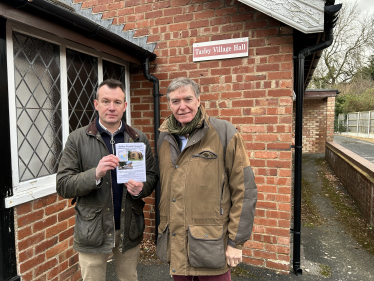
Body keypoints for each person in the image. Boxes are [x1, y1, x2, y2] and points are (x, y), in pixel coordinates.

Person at [156, 77, 257, 280]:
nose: (182, 106)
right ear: (169, 104)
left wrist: (235, 242)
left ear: (199, 100)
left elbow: (245, 190)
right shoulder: (164, 137)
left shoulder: (224, 132)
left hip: (211, 245)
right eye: (175, 101)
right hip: (176, 242)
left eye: (188, 99)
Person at [56, 79, 157, 281]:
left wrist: (140, 188)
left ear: (125, 106)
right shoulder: (78, 139)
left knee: (129, 278)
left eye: (117, 102)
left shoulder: (138, 139)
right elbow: (63, 185)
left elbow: (152, 176)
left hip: (129, 228)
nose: (112, 107)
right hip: (93, 231)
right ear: (96, 104)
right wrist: (95, 174)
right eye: (105, 101)